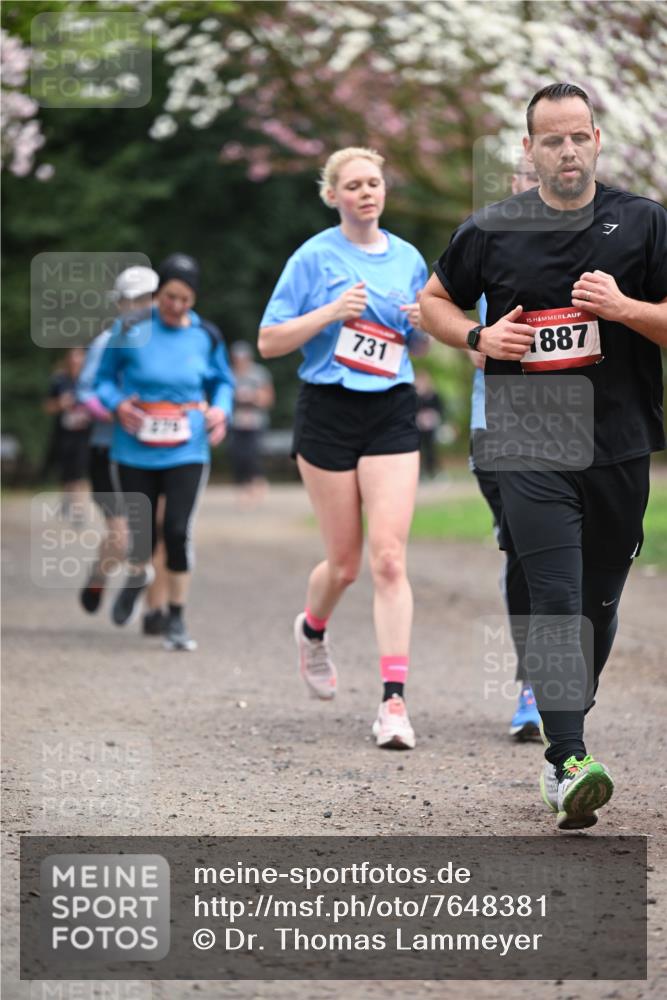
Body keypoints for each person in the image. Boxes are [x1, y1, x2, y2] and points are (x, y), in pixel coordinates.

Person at [421, 82, 666, 829]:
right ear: (527, 151)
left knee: (597, 602)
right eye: (549, 139)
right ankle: (567, 760)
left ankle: (565, 720)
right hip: (527, 437)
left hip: (618, 442)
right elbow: (432, 301)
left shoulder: (643, 223)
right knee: (555, 598)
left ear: (596, 139)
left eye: (577, 137)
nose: (566, 150)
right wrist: (478, 339)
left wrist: (622, 309)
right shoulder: (492, 230)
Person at [258, 146, 429, 750]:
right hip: (328, 412)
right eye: (353, 184)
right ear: (333, 195)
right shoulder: (313, 257)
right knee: (347, 564)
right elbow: (269, 339)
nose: (365, 192)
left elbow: (421, 342)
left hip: (390, 411)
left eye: (374, 182)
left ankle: (392, 703)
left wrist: (418, 325)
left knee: (388, 559)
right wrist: (330, 311)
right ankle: (311, 628)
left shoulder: (408, 257)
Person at [95, 253, 235, 651]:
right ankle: (138, 576)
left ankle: (176, 617)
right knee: (141, 535)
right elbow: (103, 381)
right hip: (134, 447)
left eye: (186, 300)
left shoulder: (206, 335)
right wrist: (118, 403)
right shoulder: (130, 328)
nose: (177, 306)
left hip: (187, 447)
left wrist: (221, 411)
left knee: (175, 529)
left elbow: (222, 382)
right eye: (171, 297)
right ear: (158, 294)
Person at [468, 156, 540, 740]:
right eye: (522, 172)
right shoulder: (488, 241)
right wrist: (485, 340)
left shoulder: (601, 239)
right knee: (525, 552)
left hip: (583, 428)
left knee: (585, 557)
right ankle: (532, 686)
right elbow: (455, 324)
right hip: (496, 425)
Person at [77, 265, 163, 623]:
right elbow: (86, 393)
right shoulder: (106, 342)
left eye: (144, 299)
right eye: (130, 301)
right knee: (122, 535)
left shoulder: (170, 341)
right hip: (109, 450)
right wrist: (117, 409)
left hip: (155, 450)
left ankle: (156, 611)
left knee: (157, 528)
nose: (137, 307)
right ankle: (99, 576)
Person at [43, 347, 91, 518]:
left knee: (79, 469)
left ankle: (77, 508)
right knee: (66, 470)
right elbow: (47, 406)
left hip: (84, 433)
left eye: (79, 357)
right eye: (73, 357)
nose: (75, 361)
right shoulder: (59, 380)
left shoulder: (89, 380)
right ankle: (67, 500)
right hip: (64, 433)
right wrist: (60, 404)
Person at [227, 340, 275, 505]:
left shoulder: (259, 373)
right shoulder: (229, 374)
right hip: (237, 421)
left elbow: (268, 398)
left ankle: (258, 485)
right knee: (238, 455)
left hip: (255, 421)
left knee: (253, 455)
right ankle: (243, 488)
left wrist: (251, 397)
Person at [414, 369, 445, 479]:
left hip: (431, 427)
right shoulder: (415, 396)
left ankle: (433, 471)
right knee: (418, 449)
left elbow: (440, 409)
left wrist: (431, 416)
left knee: (431, 449)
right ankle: (420, 471)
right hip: (419, 427)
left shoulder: (433, 395)